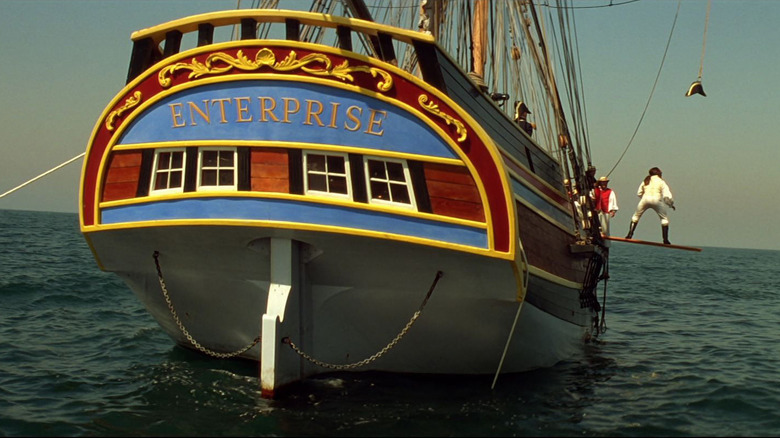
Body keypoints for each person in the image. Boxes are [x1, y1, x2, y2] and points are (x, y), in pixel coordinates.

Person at [625, 167, 676, 244]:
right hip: (657, 200)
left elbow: (639, 193)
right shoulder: (661, 182)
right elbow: (667, 195)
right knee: (664, 219)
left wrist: (644, 198)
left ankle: (629, 234)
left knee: (636, 216)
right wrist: (671, 204)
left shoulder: (646, 181)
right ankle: (665, 240)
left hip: (645, 200)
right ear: (658, 174)